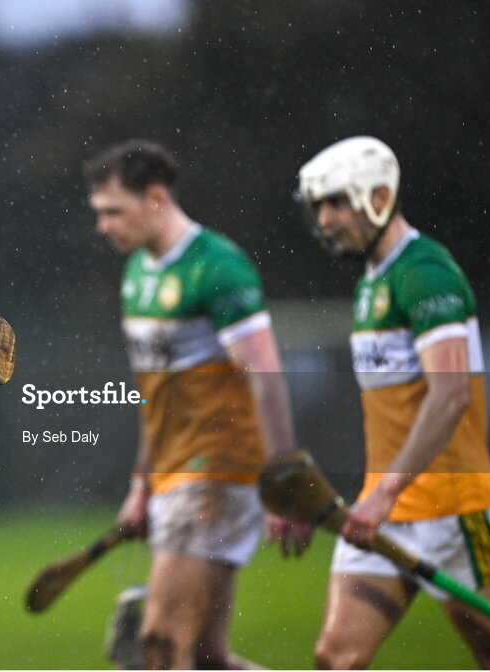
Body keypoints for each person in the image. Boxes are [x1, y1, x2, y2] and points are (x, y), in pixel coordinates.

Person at [295, 136, 490, 669]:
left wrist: (384, 493)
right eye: (319, 206)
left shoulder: (425, 272)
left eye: (337, 202)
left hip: (454, 506)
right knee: (335, 658)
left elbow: (450, 395)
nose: (327, 218)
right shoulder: (372, 283)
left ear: (379, 196)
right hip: (386, 510)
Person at [85, 139, 312, 670]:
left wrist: (284, 482)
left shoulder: (217, 267)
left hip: (216, 474)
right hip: (172, 475)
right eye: (99, 213)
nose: (104, 226)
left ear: (156, 197)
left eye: (114, 211)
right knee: (208, 657)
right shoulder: (138, 274)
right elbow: (157, 397)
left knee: (160, 643)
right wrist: (142, 485)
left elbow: (268, 377)